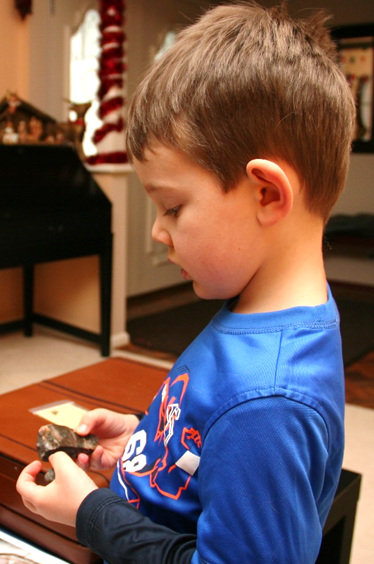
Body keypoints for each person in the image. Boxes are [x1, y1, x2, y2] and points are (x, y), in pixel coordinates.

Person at [16, 2, 356, 562]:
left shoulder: (267, 404)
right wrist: (142, 447)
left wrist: (89, 514)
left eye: (172, 207)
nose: (157, 231)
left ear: (266, 193)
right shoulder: (261, 310)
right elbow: (212, 436)